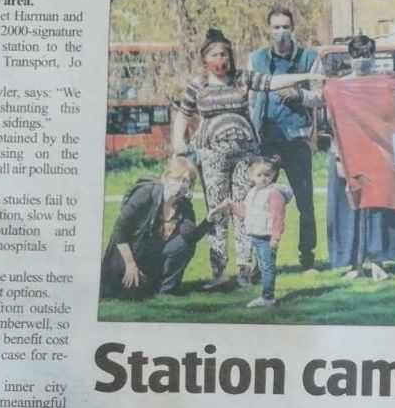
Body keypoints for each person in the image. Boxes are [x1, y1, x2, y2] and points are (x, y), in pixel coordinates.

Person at [171, 28, 321, 290]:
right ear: (205, 59)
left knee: (244, 210)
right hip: (212, 155)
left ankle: (244, 269)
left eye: (225, 54)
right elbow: (183, 114)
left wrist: (307, 76)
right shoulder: (198, 86)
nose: (221, 59)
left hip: (245, 155)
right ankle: (219, 271)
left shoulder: (241, 78)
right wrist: (178, 142)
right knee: (216, 211)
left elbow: (273, 82)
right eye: (215, 54)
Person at [249, 6, 323, 275]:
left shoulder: (309, 58)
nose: (281, 31)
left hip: (295, 140)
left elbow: (321, 97)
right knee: (259, 202)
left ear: (293, 28)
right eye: (276, 27)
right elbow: (251, 99)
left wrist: (299, 95)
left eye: (286, 26)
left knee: (305, 202)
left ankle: (308, 260)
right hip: (266, 142)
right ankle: (261, 262)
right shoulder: (256, 59)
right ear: (268, 29)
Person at [100, 157, 232, 300]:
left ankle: (166, 290)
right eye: (176, 179)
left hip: (153, 257)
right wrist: (130, 264)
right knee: (131, 293)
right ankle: (144, 282)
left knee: (184, 245)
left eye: (186, 181)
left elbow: (189, 238)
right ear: (166, 177)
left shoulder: (184, 205)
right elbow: (120, 229)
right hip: (129, 253)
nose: (180, 185)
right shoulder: (147, 193)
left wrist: (208, 220)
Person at [327, 35, 395, 280]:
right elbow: (333, 122)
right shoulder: (339, 86)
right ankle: (354, 264)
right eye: (357, 55)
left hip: (376, 153)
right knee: (350, 208)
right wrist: (339, 156)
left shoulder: (383, 85)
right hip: (346, 153)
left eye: (367, 54)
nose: (362, 60)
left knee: (378, 209)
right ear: (350, 57)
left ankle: (378, 261)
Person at [228, 157, 294, 309]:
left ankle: (268, 297)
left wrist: (275, 238)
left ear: (273, 175)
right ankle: (266, 295)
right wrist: (233, 207)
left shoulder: (274, 194)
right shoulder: (252, 192)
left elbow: (278, 218)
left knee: (267, 267)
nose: (263, 178)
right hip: (256, 237)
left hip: (267, 238)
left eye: (267, 175)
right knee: (264, 267)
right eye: (259, 175)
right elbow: (246, 213)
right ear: (251, 175)